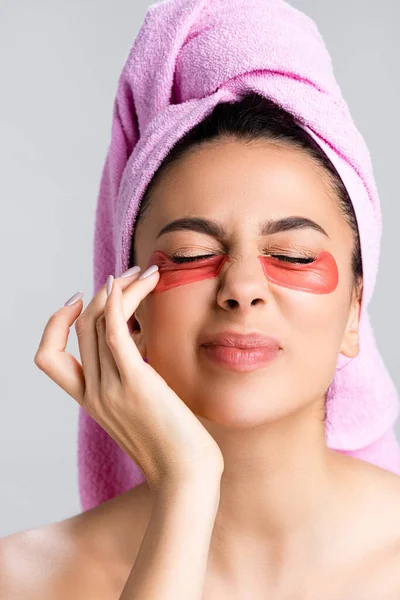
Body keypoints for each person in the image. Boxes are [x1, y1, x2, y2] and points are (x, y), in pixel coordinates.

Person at [2, 91, 400, 599]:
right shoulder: (21, 580)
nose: (241, 288)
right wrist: (186, 488)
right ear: (132, 313)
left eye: (293, 256)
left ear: (353, 312)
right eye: (193, 253)